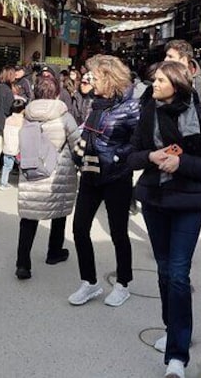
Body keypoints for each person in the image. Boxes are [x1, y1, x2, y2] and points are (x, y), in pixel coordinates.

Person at [127, 61, 201, 378]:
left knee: (179, 273)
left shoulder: (200, 118)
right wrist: (151, 157)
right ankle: (174, 326)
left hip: (187, 204)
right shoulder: (148, 113)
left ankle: (176, 359)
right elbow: (133, 155)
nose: (154, 84)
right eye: (154, 79)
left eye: (161, 80)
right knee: (165, 272)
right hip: (155, 200)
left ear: (177, 85)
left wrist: (179, 163)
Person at [69, 55, 140, 307]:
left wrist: (118, 157)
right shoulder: (95, 104)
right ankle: (89, 282)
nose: (90, 80)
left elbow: (139, 144)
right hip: (89, 174)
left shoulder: (131, 108)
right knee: (79, 228)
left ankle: (123, 284)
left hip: (116, 176)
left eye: (95, 77)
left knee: (118, 232)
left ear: (109, 79)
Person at [15, 77, 81, 280]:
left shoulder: (28, 115)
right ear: (57, 93)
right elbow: (77, 144)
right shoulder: (64, 116)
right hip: (57, 171)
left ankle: (22, 264)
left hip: (33, 170)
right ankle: (54, 252)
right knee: (58, 212)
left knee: (29, 215)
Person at [164, 40, 201, 135]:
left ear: (184, 59)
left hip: (195, 143)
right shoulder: (163, 81)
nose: (166, 60)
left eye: (170, 56)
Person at [0, 98, 25, 190]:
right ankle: (22, 183)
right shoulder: (22, 121)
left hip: (7, 147)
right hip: (18, 149)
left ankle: (3, 183)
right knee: (22, 167)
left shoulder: (8, 119)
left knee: (6, 166)